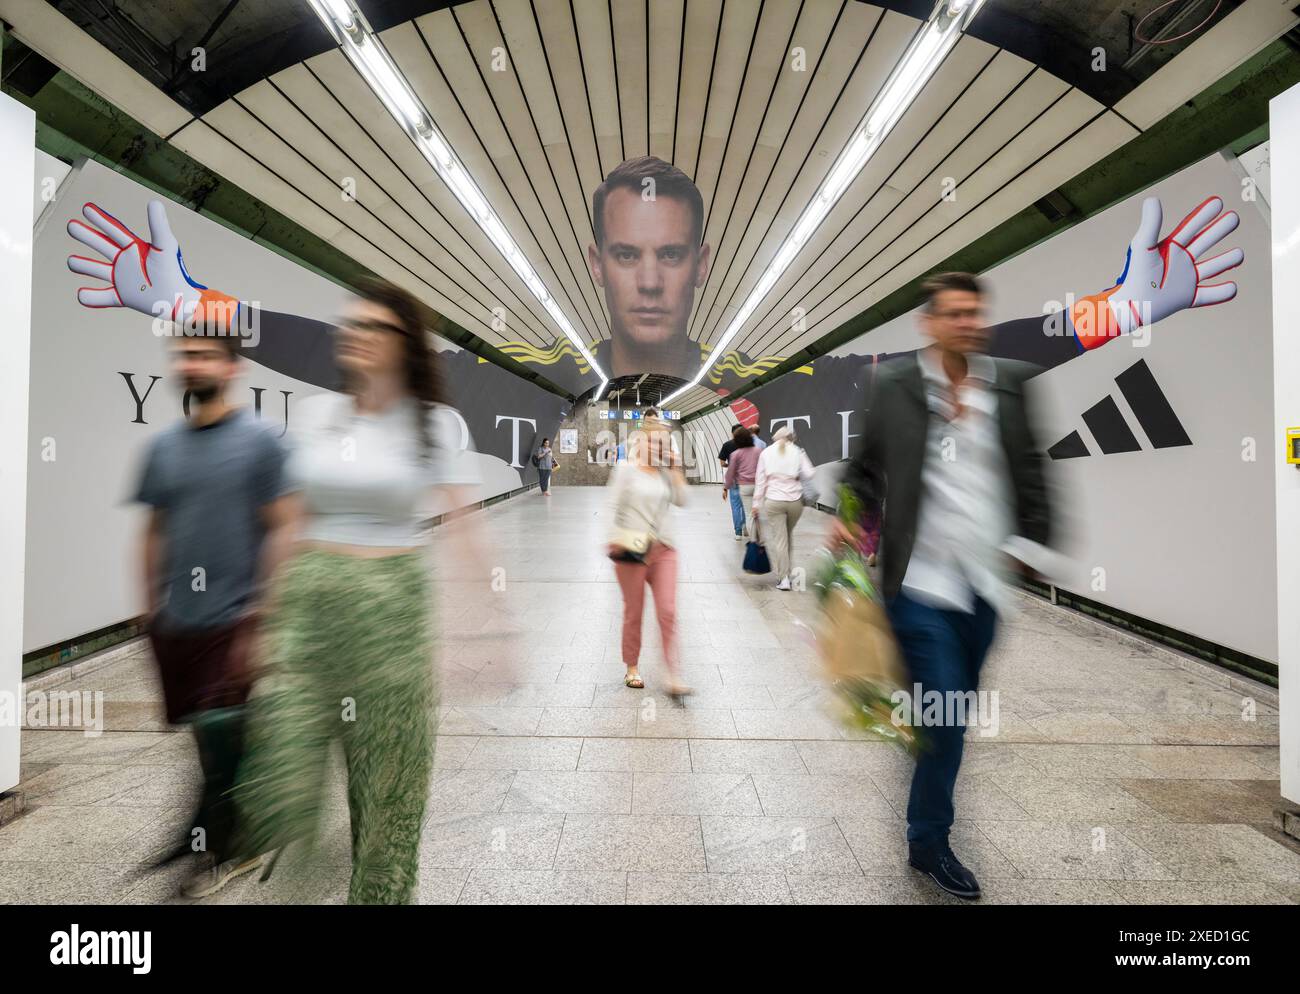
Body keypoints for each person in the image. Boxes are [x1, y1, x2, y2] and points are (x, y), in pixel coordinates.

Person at [233, 277, 478, 905]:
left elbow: (465, 526)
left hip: (391, 623)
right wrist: (262, 612)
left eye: (376, 328)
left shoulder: (434, 426)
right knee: (280, 787)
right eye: (354, 326)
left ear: (406, 345)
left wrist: (485, 625)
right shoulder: (317, 417)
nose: (358, 337)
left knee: (387, 798)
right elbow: (290, 518)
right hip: (308, 614)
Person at [837, 272, 1054, 901]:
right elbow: (866, 468)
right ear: (929, 323)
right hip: (919, 583)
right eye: (954, 314)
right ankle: (929, 839)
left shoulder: (1009, 385)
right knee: (951, 710)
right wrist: (851, 521)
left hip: (984, 584)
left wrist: (1030, 542)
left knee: (944, 707)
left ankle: (921, 730)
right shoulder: (898, 386)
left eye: (974, 313)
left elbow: (1031, 468)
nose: (968, 324)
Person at [133, 330, 295, 899]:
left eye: (203, 354)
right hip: (180, 621)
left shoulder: (260, 445)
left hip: (235, 619)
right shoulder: (164, 448)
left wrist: (266, 616)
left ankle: (223, 845)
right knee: (207, 742)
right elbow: (154, 529)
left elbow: (284, 528)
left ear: (231, 368)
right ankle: (219, 833)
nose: (190, 363)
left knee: (221, 734)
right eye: (183, 354)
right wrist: (149, 608)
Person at [586, 157, 712, 379]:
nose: (650, 283)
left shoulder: (778, 387)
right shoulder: (519, 381)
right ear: (597, 265)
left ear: (700, 266)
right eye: (626, 255)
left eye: (671, 255)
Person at [606, 419, 691, 698]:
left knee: (667, 611)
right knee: (634, 611)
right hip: (631, 548)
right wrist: (613, 539)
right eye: (654, 441)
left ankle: (672, 674)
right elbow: (612, 505)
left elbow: (682, 500)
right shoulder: (626, 470)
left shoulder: (666, 474)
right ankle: (632, 667)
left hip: (664, 548)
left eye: (663, 443)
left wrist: (676, 468)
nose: (658, 447)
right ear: (641, 442)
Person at [752, 425, 815, 591]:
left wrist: (756, 504)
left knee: (780, 540)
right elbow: (810, 474)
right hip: (795, 502)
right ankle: (787, 573)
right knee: (787, 536)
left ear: (775, 437)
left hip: (774, 500)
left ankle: (784, 578)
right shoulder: (798, 451)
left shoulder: (766, 453)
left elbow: (760, 481)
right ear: (790, 438)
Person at [723, 428, 761, 542]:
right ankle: (758, 534)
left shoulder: (736, 454)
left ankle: (739, 533)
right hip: (758, 485)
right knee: (757, 511)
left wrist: (726, 487)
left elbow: (730, 472)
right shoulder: (758, 451)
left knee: (739, 508)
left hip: (743, 485)